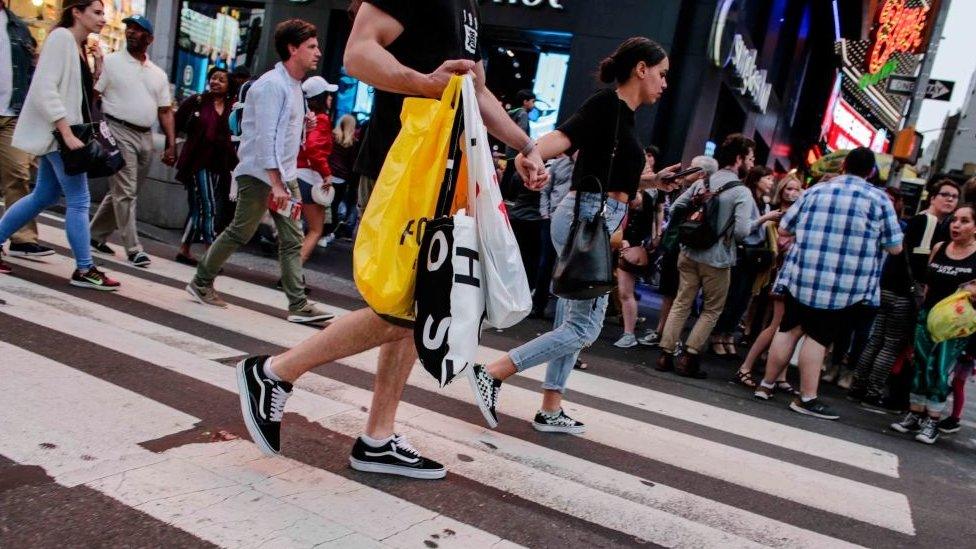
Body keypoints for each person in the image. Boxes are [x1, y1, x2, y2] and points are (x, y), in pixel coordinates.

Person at [232, 0, 548, 479]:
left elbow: (475, 90)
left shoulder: (468, 6)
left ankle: (378, 436)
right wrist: (422, 84)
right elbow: (357, 55)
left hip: (436, 171)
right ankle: (275, 372)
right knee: (405, 308)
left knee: (416, 306)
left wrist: (525, 146)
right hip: (400, 165)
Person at [468, 37, 679, 433]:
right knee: (584, 328)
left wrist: (654, 182)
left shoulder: (626, 117)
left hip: (594, 218)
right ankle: (493, 372)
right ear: (641, 69)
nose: (665, 84)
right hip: (587, 220)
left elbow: (617, 178)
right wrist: (528, 152)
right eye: (662, 74)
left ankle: (551, 407)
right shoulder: (606, 104)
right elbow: (561, 139)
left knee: (570, 320)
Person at [186, 19, 333, 325]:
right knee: (241, 230)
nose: (318, 52)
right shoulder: (271, 86)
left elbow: (283, 136)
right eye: (311, 46)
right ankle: (201, 282)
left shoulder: (294, 87)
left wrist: (302, 129)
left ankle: (298, 304)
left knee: (293, 238)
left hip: (285, 176)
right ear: (293, 49)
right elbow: (265, 139)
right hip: (260, 175)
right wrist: (276, 184)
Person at [755, 147, 903, 420]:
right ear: (871, 171)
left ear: (844, 165)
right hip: (842, 286)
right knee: (818, 337)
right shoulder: (879, 199)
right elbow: (895, 247)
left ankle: (765, 385)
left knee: (787, 329)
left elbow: (785, 227)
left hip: (802, 275)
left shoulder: (814, 192)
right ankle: (807, 398)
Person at [0, 0, 120, 288]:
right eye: (97, 12)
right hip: (59, 134)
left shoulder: (78, 45)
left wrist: (98, 67)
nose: (103, 19)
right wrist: (66, 132)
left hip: (63, 133)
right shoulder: (61, 39)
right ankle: (84, 269)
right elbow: (44, 88)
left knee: (43, 195)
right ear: (76, 12)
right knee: (79, 200)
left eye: (104, 14)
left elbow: (76, 94)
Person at [655, 134, 760, 378]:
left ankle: (665, 354)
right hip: (718, 258)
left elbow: (679, 206)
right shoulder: (741, 192)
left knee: (682, 302)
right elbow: (743, 231)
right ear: (739, 159)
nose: (753, 164)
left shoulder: (704, 181)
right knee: (712, 309)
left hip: (689, 251)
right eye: (751, 158)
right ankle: (690, 357)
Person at [849, 179, 956, 408]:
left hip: (888, 287)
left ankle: (858, 384)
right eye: (945, 194)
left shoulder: (920, 220)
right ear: (932, 197)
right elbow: (920, 260)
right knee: (891, 343)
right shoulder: (929, 221)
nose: (949, 200)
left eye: (954, 197)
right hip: (904, 291)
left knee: (877, 338)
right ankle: (873, 389)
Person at [88, 14, 176, 268]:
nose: (131, 33)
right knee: (125, 191)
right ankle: (133, 248)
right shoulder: (112, 63)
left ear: (149, 39)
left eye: (138, 30)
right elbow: (94, 95)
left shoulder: (157, 74)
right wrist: (96, 130)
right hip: (117, 129)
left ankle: (93, 235)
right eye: (129, 29)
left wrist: (171, 143)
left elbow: (165, 110)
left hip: (145, 135)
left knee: (127, 191)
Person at [891, 205, 976, 444]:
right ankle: (915, 413)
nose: (956, 225)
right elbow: (928, 284)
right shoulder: (939, 248)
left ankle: (933, 420)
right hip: (927, 316)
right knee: (919, 364)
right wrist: (921, 315)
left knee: (938, 369)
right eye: (954, 220)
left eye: (964, 221)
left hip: (955, 323)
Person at [639, 155, 718, 347]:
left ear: (701, 173)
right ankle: (666, 335)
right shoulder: (707, 190)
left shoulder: (696, 188)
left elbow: (674, 208)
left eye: (692, 167)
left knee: (674, 293)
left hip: (680, 244)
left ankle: (664, 335)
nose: (687, 170)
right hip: (685, 244)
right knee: (675, 293)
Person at [735, 174, 803, 390]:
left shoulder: (800, 215)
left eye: (796, 189)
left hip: (790, 276)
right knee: (777, 325)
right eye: (788, 189)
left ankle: (778, 374)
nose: (792, 193)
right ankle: (747, 366)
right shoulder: (777, 215)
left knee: (785, 326)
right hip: (778, 274)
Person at [0, 0, 54, 261]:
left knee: (18, 174)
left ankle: (22, 238)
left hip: (11, 112)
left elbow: (33, 70)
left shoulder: (18, 27)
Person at [171, 67, 238, 266]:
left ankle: (184, 249)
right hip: (197, 162)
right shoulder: (197, 101)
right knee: (208, 206)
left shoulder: (231, 107)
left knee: (197, 207)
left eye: (221, 80)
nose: (216, 82)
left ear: (229, 86)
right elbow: (175, 123)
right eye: (213, 78)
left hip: (219, 164)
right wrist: (170, 147)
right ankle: (211, 255)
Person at [711, 165, 776, 356]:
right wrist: (765, 218)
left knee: (744, 299)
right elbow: (744, 228)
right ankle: (717, 336)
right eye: (768, 178)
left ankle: (729, 335)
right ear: (757, 179)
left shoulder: (765, 202)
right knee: (732, 296)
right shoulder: (748, 198)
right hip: (741, 252)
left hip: (755, 256)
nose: (771, 183)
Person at [295, 75, 337, 263]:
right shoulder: (321, 119)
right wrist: (327, 173)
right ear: (321, 97)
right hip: (309, 178)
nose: (331, 98)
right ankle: (292, 275)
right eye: (328, 94)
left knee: (293, 229)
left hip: (293, 175)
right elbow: (314, 148)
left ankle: (291, 273)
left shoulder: (302, 116)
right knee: (315, 229)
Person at [530, 151, 575, 319]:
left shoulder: (586, 167)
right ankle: (538, 305)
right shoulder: (559, 164)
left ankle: (564, 313)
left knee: (567, 267)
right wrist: (545, 213)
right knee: (545, 264)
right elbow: (545, 190)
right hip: (552, 218)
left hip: (574, 221)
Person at [614, 188, 658, 348]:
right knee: (624, 292)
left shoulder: (645, 196)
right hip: (626, 244)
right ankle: (628, 333)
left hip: (630, 246)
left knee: (625, 293)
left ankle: (629, 334)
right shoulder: (648, 195)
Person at [329, 114, 361, 240]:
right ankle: (330, 231)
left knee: (324, 205)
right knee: (335, 205)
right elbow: (352, 163)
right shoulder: (352, 143)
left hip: (328, 174)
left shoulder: (332, 137)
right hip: (341, 179)